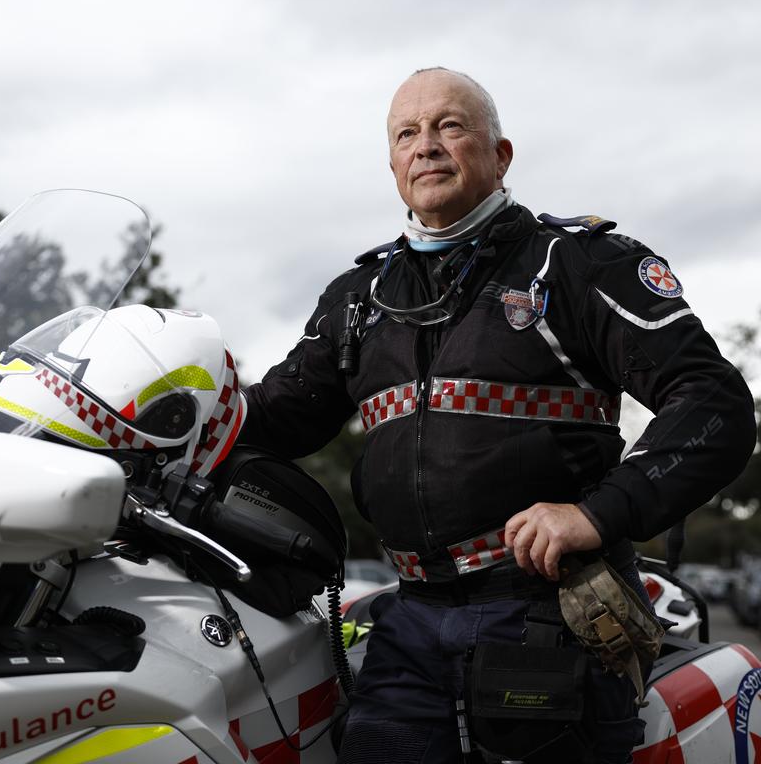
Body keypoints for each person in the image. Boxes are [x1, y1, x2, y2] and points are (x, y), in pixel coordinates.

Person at [239, 67, 756, 763]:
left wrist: (597, 514)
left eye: (450, 126)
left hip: (554, 612)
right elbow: (265, 423)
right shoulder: (358, 299)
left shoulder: (575, 262)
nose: (426, 146)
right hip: (410, 624)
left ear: (500, 153)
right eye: (406, 134)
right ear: (392, 163)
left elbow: (713, 401)